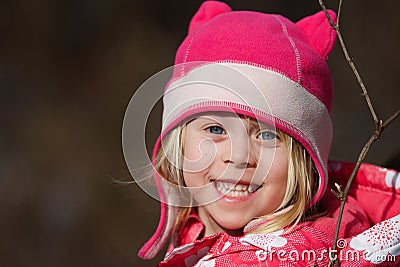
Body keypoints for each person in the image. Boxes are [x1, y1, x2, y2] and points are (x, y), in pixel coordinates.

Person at [133, 1, 400, 266]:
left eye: (267, 136)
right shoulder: (197, 227)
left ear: (305, 159)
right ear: (178, 144)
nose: (238, 158)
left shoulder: (282, 259)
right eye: (215, 129)